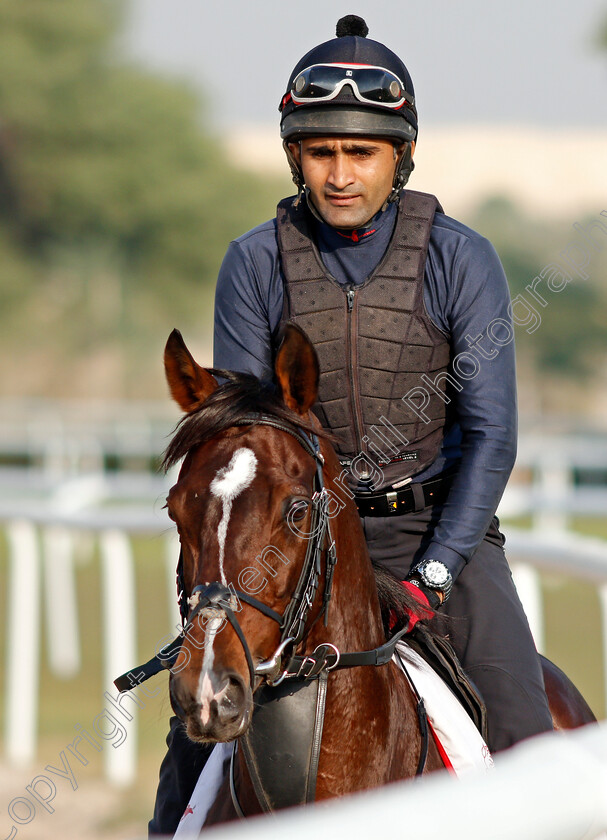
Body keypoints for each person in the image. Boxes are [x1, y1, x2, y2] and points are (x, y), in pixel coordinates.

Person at [149, 15, 553, 835]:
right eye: (321, 152)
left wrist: (435, 572)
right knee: (193, 731)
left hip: (436, 536)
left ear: (398, 157)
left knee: (526, 738)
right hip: (297, 537)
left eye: (359, 153)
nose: (339, 175)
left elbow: (491, 436)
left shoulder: (461, 258)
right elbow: (248, 435)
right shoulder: (253, 261)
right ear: (295, 156)